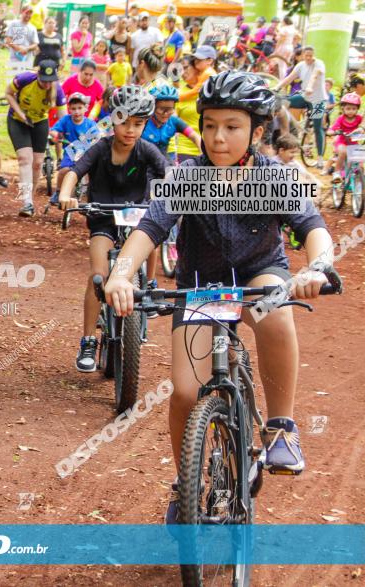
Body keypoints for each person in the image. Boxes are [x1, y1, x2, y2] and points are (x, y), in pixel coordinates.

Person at [101, 72, 337, 521]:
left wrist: (317, 266)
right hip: (202, 287)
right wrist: (121, 274)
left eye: (231, 126)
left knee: (273, 307)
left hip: (259, 274)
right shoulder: (185, 176)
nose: (218, 137)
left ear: (257, 131)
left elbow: (313, 229)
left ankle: (281, 427)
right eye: (209, 125)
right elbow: (149, 230)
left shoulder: (276, 178)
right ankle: (183, 485)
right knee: (186, 395)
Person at [56, 85, 165, 373]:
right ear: (112, 119)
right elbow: (75, 172)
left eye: (138, 124)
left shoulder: (148, 151)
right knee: (98, 277)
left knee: (153, 235)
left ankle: (150, 286)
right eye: (124, 122)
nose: (130, 130)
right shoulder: (99, 149)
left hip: (137, 218)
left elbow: (170, 178)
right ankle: (89, 339)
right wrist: (67, 194)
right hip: (102, 219)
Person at [5, 59, 65, 217]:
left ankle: (29, 196)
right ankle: (26, 202)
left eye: (50, 82)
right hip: (18, 120)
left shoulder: (57, 90)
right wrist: (20, 113)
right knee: (25, 159)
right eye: (44, 80)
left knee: (38, 163)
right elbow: (8, 94)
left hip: (39, 122)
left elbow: (62, 117)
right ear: (38, 75)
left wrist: (57, 132)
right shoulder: (24, 79)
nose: (47, 85)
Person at [277, 46, 328, 170]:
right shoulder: (300, 65)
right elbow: (289, 78)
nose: (309, 58)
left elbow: (315, 76)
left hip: (318, 100)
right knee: (282, 102)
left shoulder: (319, 64)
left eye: (311, 55)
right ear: (303, 55)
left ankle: (320, 158)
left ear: (313, 55)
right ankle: (295, 127)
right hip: (305, 96)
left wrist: (310, 87)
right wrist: (276, 87)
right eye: (306, 55)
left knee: (317, 127)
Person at [49, 92, 97, 202]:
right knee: (63, 170)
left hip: (86, 154)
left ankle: (89, 193)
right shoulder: (66, 120)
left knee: (93, 172)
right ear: (69, 109)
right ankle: (58, 192)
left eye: (80, 108)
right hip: (70, 153)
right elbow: (54, 130)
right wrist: (55, 134)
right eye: (73, 108)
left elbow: (97, 136)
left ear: (86, 108)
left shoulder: (90, 124)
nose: (77, 112)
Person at [142, 84, 201, 162]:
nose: (166, 113)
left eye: (170, 109)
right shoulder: (143, 122)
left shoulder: (173, 121)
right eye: (162, 109)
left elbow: (195, 136)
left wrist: (203, 152)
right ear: (153, 107)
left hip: (163, 160)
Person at [167, 56, 201, 165]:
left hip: (208, 149)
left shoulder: (207, 91)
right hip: (185, 150)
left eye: (186, 68)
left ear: (196, 68)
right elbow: (173, 119)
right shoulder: (179, 93)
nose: (183, 72)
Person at [326, 93, 364, 181]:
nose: (351, 111)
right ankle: (337, 173)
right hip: (342, 142)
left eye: (354, 109)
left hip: (354, 142)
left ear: (357, 109)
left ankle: (359, 180)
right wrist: (331, 132)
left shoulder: (359, 119)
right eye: (348, 108)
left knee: (360, 164)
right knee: (342, 152)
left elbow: (363, 127)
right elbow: (333, 128)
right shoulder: (341, 118)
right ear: (343, 108)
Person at [4, 5, 38, 77]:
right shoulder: (14, 24)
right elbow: (8, 40)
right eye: (27, 13)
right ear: (22, 12)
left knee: (25, 82)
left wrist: (26, 48)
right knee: (14, 82)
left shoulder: (33, 28)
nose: (28, 15)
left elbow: (35, 44)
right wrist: (19, 48)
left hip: (28, 61)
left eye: (30, 13)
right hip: (15, 60)